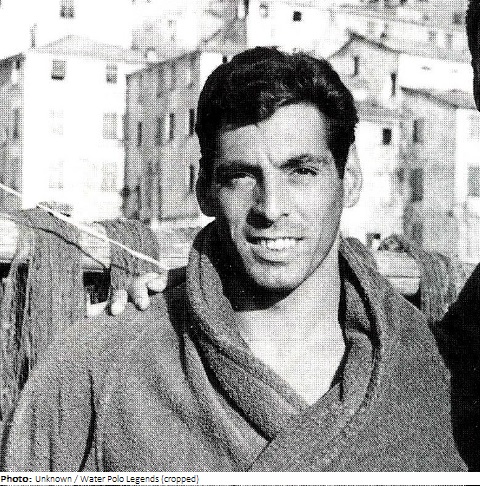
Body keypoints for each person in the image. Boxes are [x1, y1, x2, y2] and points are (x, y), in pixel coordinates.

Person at [4, 47, 470, 472]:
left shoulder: (434, 371)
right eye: (242, 176)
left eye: (301, 171)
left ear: (349, 181)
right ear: (205, 190)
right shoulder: (98, 365)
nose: (271, 207)